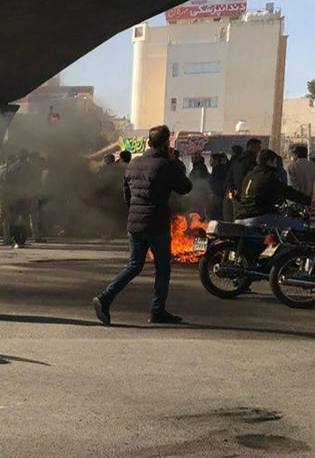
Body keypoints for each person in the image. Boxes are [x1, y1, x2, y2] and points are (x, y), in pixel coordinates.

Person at [92, 125, 193, 326]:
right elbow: (185, 187)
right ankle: (157, 310)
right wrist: (174, 163)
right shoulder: (165, 165)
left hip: (135, 224)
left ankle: (105, 298)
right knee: (162, 268)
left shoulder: (134, 164)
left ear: (148, 142)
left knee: (134, 265)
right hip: (157, 223)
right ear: (166, 144)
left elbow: (126, 196)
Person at [234, 149, 309, 229]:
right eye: (275, 162)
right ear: (269, 162)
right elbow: (288, 193)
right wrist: (309, 201)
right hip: (260, 218)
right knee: (301, 226)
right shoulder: (268, 176)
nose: (276, 165)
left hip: (239, 218)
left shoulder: (249, 175)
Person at [226, 138, 261, 203]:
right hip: (249, 196)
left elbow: (229, 176)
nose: (259, 149)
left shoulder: (237, 160)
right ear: (251, 147)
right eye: (258, 147)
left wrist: (231, 189)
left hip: (237, 195)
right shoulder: (253, 161)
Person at [206, 153, 228, 221]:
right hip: (216, 196)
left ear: (216, 160)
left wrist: (213, 193)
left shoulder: (219, 170)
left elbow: (218, 184)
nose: (210, 161)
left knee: (215, 215)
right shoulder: (216, 169)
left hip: (217, 196)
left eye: (211, 159)